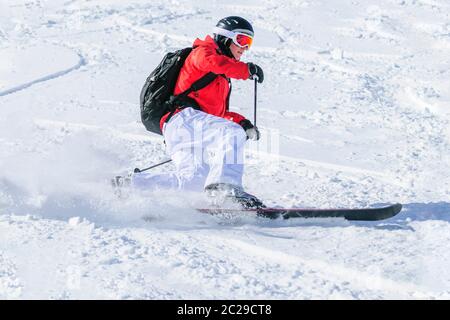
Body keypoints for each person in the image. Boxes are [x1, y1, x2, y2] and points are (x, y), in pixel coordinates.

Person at [115, 16, 265, 208]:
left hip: (183, 128)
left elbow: (216, 114)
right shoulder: (202, 52)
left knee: (193, 180)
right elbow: (214, 63)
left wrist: (243, 123)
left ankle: (128, 185)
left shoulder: (221, 77)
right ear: (225, 38)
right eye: (242, 40)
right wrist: (246, 70)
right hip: (181, 118)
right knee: (231, 133)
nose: (245, 48)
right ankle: (225, 189)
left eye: (249, 43)